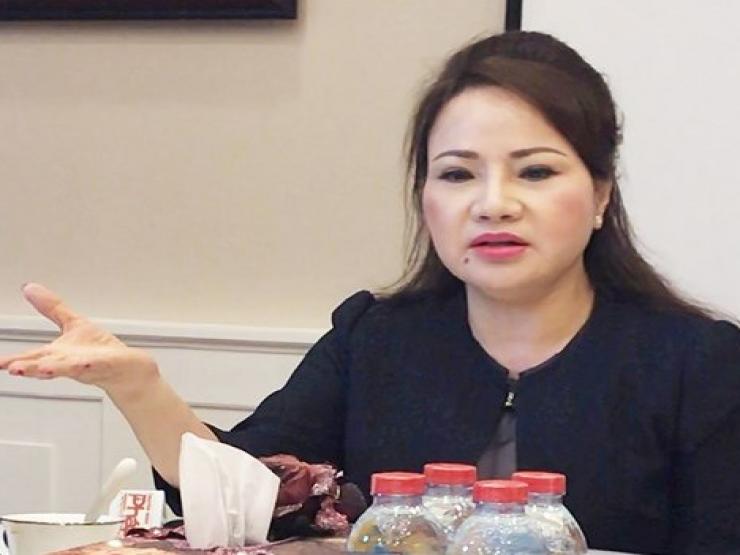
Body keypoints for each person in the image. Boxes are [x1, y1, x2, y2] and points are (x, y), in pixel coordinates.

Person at [1, 30, 739, 554]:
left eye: (536, 171)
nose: (494, 203)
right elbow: (244, 495)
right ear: (425, 199)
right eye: (457, 174)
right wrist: (139, 388)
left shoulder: (698, 362)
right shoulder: (375, 338)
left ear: (602, 194)